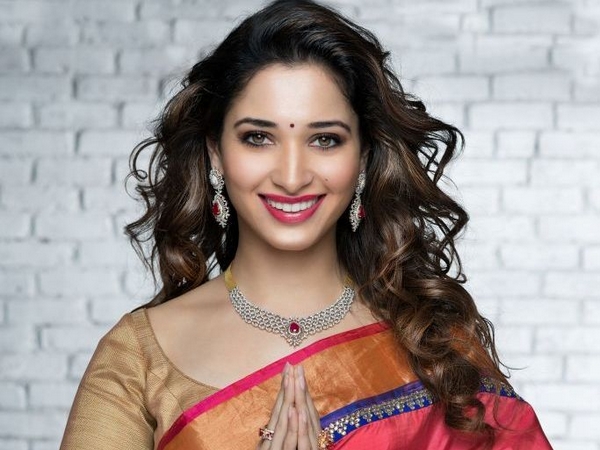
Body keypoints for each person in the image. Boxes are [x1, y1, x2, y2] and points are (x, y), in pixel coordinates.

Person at [60, 0, 553, 449]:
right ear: (216, 153)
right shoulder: (139, 358)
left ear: (363, 158)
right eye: (258, 138)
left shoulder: (432, 342)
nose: (292, 177)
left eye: (325, 140)